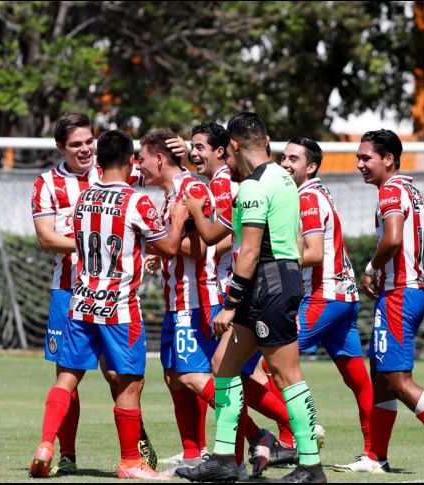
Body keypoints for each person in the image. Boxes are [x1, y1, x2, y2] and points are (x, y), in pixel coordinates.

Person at [177, 112, 326, 484]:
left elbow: (249, 250)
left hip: (268, 284)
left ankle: (311, 465)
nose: (226, 155)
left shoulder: (253, 187)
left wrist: (229, 304)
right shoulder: (284, 177)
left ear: (237, 145)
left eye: (227, 149)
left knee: (286, 374)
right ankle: (224, 459)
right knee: (223, 365)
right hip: (275, 280)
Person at [36, 129, 187, 480]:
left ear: (98, 162)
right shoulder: (137, 201)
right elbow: (167, 248)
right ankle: (130, 462)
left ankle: (46, 445)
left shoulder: (84, 198)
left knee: (67, 377)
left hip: (81, 300)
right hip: (119, 307)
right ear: (132, 162)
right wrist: (177, 219)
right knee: (129, 383)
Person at [333, 129, 424, 475]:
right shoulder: (412, 191)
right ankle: (375, 457)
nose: (359, 164)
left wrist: (371, 269)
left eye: (365, 157)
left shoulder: (390, 192)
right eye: (358, 157)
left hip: (400, 295)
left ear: (388, 159)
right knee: (381, 376)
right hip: (410, 291)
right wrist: (411, 268)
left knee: (397, 378)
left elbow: (394, 239)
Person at [279, 136, 374, 464]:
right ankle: (373, 453)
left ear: (312, 167)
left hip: (325, 295)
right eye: (284, 157)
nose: (286, 164)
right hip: (344, 297)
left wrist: (272, 261)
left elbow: (314, 254)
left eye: (294, 159)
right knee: (356, 377)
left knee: (271, 364)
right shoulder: (316, 193)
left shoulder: (306, 198)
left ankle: (302, 432)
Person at [138, 129, 220, 470]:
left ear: (158, 159)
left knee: (192, 377)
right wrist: (164, 248)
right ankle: (192, 454)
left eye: (141, 159)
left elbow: (205, 246)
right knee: (174, 377)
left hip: (195, 299)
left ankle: (259, 435)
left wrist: (159, 242)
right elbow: (178, 244)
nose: (138, 166)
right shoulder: (171, 193)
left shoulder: (192, 189)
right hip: (176, 301)